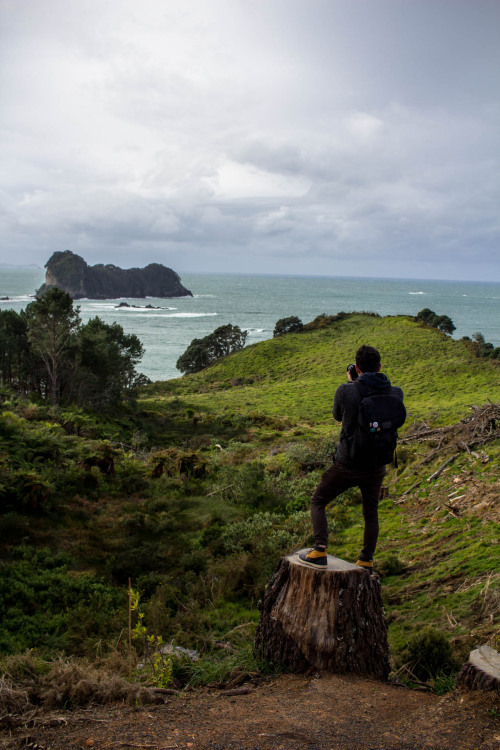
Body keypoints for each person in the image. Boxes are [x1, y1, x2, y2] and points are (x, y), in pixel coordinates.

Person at [299, 344, 404, 573]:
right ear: (380, 366)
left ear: (356, 368)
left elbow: (338, 415)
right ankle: (366, 559)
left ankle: (319, 550)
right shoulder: (396, 392)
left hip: (348, 463)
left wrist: (350, 383)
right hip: (377, 464)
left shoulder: (346, 390)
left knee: (318, 501)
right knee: (371, 512)